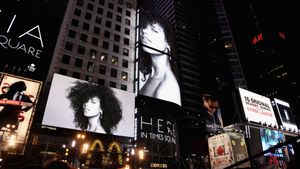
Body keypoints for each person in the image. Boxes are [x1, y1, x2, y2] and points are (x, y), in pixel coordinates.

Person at [138, 10, 181, 106]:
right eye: (144, 27)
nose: (144, 31)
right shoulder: (145, 74)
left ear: (168, 44)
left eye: (154, 30)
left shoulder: (167, 88)